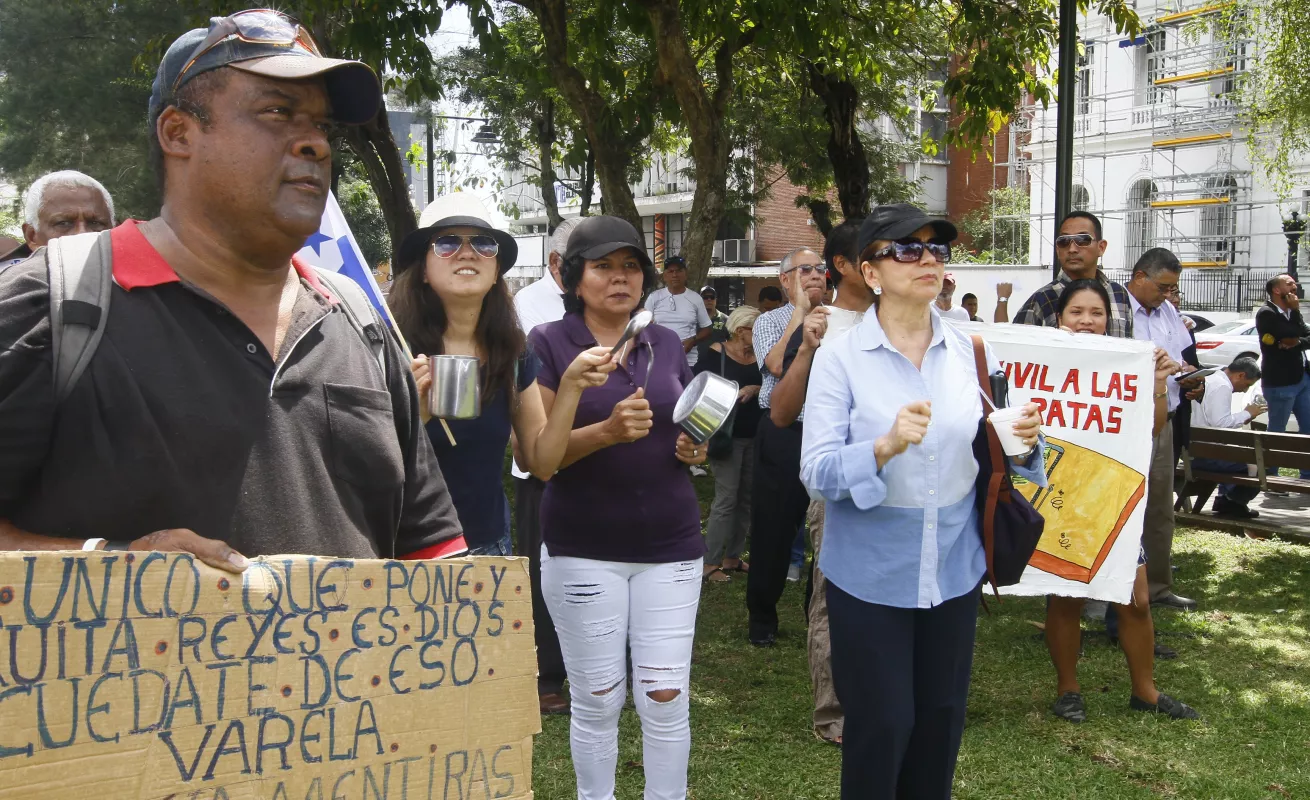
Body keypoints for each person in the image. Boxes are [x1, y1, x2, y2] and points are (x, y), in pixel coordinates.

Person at [0, 10, 466, 565]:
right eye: (277, 112)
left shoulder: (360, 321)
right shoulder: (51, 305)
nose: (316, 143)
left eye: (323, 126)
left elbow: (433, 556)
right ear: (179, 133)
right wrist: (118, 562)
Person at [800, 204, 1046, 799]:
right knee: (882, 727)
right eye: (907, 249)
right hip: (869, 573)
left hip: (954, 567)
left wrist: (1025, 445)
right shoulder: (841, 355)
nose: (927, 259)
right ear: (871, 271)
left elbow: (1001, 452)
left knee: (939, 725)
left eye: (937, 249)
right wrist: (881, 447)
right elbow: (816, 472)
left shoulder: (972, 351)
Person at [528, 215, 707, 800]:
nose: (619, 278)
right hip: (584, 548)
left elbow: (684, 427)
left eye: (631, 266)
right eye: (603, 266)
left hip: (671, 544)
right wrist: (604, 430)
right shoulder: (549, 343)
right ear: (574, 277)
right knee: (599, 698)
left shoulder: (665, 341)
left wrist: (694, 447)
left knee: (666, 697)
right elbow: (542, 460)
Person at [395, 193, 612, 558]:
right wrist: (412, 418)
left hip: (487, 549)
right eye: (447, 243)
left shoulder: (512, 354)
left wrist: (571, 386)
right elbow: (356, 469)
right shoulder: (390, 348)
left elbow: (541, 464)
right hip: (403, 554)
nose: (467, 253)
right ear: (423, 270)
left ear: (496, 271)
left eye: (483, 243)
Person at [1044, 279, 1200, 724]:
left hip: (1114, 493)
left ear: (1108, 320)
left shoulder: (1126, 361)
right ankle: (1067, 689)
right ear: (1061, 319)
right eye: (1077, 312)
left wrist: (1155, 381)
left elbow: (1150, 428)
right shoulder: (1042, 360)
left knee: (1136, 599)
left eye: (1095, 313)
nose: (1087, 321)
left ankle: (1145, 692)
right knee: (1067, 595)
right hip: (1063, 495)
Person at [768, 218, 871, 746]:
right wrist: (807, 349)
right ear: (848, 267)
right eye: (880, 253)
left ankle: (888, 700)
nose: (896, 262)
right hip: (837, 493)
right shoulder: (822, 326)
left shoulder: (917, 323)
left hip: (904, 492)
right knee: (834, 601)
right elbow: (782, 412)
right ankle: (834, 712)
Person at [512, 216, 582, 716]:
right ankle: (546, 675)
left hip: (603, 464)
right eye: (589, 262)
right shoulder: (528, 308)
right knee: (543, 574)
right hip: (544, 466)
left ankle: (598, 669)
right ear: (558, 263)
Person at [747, 245, 828, 647]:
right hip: (784, 433)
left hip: (828, 434)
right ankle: (762, 618)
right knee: (774, 528)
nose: (815, 275)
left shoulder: (843, 319)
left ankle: (819, 613)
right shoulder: (769, 321)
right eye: (804, 269)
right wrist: (798, 311)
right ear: (785, 279)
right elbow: (777, 366)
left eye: (820, 268)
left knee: (831, 530)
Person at [1124, 248, 1197, 611]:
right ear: (1140, 277)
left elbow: (1181, 359)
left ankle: (1157, 588)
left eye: (1172, 288)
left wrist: (1188, 375)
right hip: (1127, 422)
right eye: (1163, 287)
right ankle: (1109, 593)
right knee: (1121, 505)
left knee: (1158, 509)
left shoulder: (1167, 311)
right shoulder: (1117, 310)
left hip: (1164, 419)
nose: (1168, 295)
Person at [693, 304, 763, 583]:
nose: (759, 335)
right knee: (726, 498)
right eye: (755, 330)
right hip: (726, 437)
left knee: (745, 498)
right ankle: (709, 563)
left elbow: (772, 383)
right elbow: (698, 389)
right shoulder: (714, 354)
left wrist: (756, 389)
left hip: (755, 434)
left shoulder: (761, 356)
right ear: (741, 329)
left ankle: (732, 557)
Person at [1013, 211, 1134, 337]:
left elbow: (1129, 348)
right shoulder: (1042, 300)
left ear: (1101, 247)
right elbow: (1017, 351)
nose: (1072, 249)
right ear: (1057, 249)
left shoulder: (1119, 294)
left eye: (1082, 240)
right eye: (1064, 241)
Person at [1192, 357, 1265, 518]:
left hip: (1199, 450)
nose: (1245, 390)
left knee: (1242, 457)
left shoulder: (1213, 378)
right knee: (1259, 466)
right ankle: (1232, 501)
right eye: (1247, 385)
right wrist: (1247, 413)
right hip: (1207, 455)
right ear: (1240, 375)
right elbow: (1220, 424)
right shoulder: (1222, 386)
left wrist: (1246, 416)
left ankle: (1226, 500)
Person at [1256, 274, 1310, 479]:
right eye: (1289, 284)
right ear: (1277, 290)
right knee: (1277, 430)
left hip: (1302, 378)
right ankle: (1271, 476)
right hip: (1280, 382)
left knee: (1308, 428)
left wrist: (1296, 343)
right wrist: (1295, 313)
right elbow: (1289, 331)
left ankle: (1306, 475)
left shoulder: (1291, 312)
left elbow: (1303, 334)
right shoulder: (1267, 313)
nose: (1294, 286)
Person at [21, 170, 115, 253]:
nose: (82, 234)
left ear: (115, 231)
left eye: (95, 223)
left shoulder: (127, 272)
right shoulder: (20, 273)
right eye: (64, 223)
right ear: (32, 236)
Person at [646, 255, 712, 366]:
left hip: (688, 362)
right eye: (670, 271)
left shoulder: (695, 298)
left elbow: (707, 329)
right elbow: (643, 327)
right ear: (664, 276)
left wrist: (693, 341)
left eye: (679, 271)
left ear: (685, 274)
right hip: (659, 360)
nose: (675, 275)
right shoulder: (654, 297)